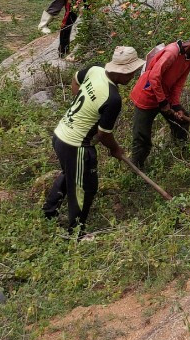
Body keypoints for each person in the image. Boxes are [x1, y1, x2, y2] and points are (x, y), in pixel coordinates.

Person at [42, 45, 145, 237]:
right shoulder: (113, 98)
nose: (133, 76)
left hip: (60, 134)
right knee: (85, 188)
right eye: (131, 72)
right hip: (76, 146)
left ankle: (49, 212)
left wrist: (83, 107)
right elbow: (104, 135)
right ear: (122, 71)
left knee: (70, 174)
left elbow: (75, 79)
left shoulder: (95, 69)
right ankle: (76, 234)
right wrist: (116, 149)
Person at [129, 27, 190, 169]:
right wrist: (163, 102)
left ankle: (180, 156)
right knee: (142, 138)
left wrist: (175, 105)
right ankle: (136, 170)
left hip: (165, 96)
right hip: (147, 95)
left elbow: (179, 82)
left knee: (182, 121)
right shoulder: (171, 53)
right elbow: (154, 77)